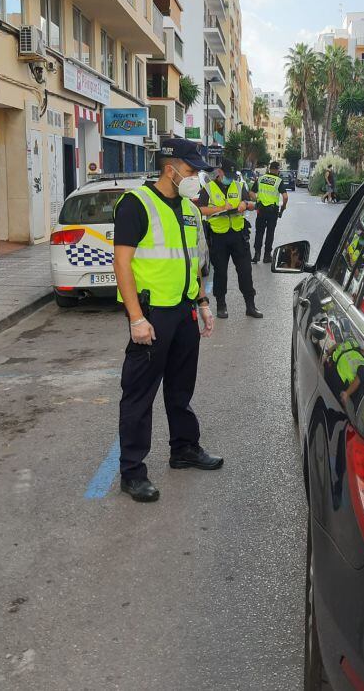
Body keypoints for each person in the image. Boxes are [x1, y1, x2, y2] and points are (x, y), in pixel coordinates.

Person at [111, 138, 224, 503]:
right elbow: (122, 264)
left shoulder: (189, 209)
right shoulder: (136, 204)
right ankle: (132, 471)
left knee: (180, 388)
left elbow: (192, 261)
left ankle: (184, 448)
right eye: (191, 172)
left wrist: (203, 302)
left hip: (184, 311)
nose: (197, 179)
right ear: (170, 168)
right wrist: (136, 318)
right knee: (139, 396)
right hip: (152, 315)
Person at [198, 159, 263, 319]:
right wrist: (221, 209)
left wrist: (245, 204)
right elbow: (200, 209)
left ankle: (250, 305)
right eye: (228, 175)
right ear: (220, 172)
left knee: (245, 271)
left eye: (233, 175)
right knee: (220, 272)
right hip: (218, 236)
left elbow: (253, 204)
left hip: (238, 235)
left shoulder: (239, 186)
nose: (231, 178)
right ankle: (221, 305)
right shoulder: (208, 188)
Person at [252, 160, 289, 264]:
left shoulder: (260, 178)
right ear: (277, 170)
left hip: (261, 209)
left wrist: (257, 201)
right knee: (270, 232)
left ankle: (257, 254)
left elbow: (251, 192)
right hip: (273, 211)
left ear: (269, 169)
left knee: (259, 232)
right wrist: (283, 208)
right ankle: (267, 256)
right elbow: (285, 197)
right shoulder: (278, 180)